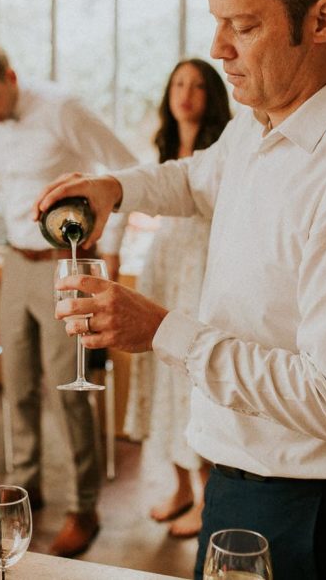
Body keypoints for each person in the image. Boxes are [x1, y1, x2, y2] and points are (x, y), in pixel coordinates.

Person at [33, 0, 326, 579]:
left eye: (244, 26)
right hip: (243, 476)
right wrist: (116, 187)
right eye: (218, 22)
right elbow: (199, 178)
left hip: (318, 506)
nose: (220, 47)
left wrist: (160, 329)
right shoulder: (261, 121)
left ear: (322, 20)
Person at [0, 42, 137, 557]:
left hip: (64, 263)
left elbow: (128, 171)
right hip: (14, 263)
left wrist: (110, 253)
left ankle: (86, 505)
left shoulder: (63, 108)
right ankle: (25, 486)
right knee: (18, 384)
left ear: (10, 75)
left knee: (68, 390)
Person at [123, 58, 229, 539]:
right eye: (178, 84)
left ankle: (208, 499)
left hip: (205, 264)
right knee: (163, 373)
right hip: (166, 260)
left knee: (194, 374)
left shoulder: (225, 145)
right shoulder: (164, 144)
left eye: (197, 85)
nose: (185, 93)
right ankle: (181, 486)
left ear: (212, 95)